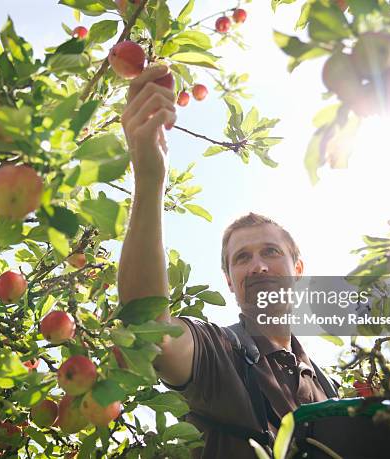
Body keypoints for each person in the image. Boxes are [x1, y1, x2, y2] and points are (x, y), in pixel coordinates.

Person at [118, 66, 336, 459]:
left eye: (271, 252)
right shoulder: (219, 352)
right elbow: (149, 326)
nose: (258, 266)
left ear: (298, 270)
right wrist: (151, 179)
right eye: (242, 258)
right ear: (229, 281)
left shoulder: (325, 385)